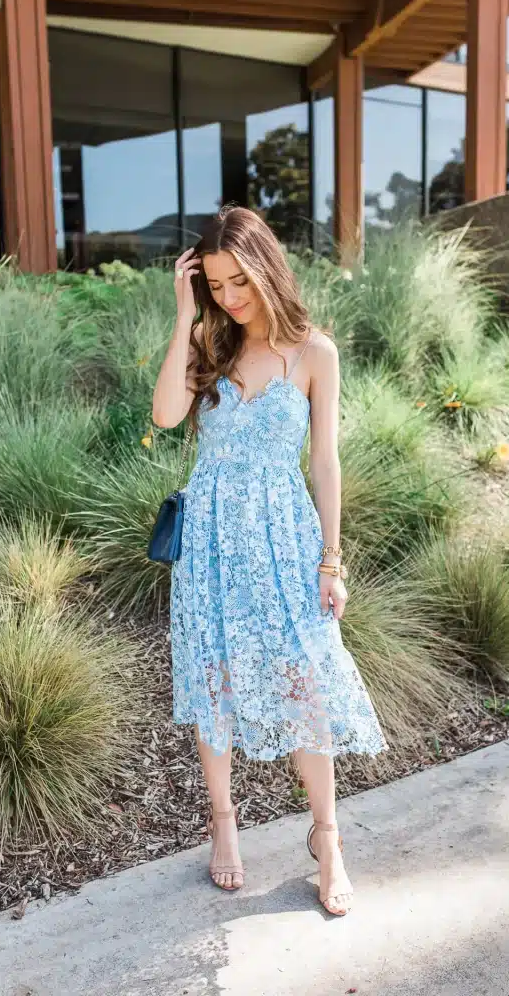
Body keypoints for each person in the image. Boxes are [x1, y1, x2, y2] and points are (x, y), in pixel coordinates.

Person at [152, 206, 387, 917]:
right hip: (212, 542)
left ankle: (327, 837)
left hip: (283, 537)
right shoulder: (207, 341)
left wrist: (331, 561)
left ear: (265, 269)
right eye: (215, 284)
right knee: (214, 673)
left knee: (304, 679)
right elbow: (165, 416)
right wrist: (180, 318)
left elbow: (323, 460)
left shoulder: (316, 352)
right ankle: (222, 824)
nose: (229, 297)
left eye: (238, 282)